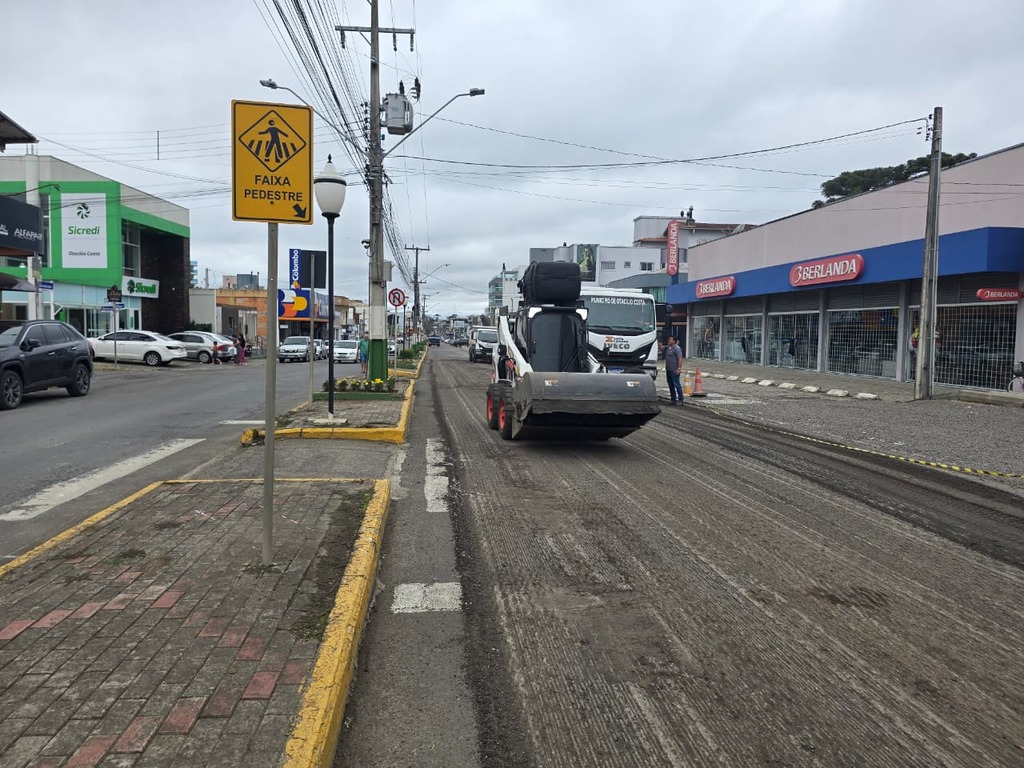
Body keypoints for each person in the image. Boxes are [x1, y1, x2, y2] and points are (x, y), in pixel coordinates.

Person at [663, 336, 684, 405]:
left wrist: (679, 368)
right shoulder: (668, 348)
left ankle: (680, 399)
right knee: (671, 385)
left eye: (670, 339)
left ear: (674, 341)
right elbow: (662, 348)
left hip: (674, 370)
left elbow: (680, 358)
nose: (668, 340)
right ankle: (673, 399)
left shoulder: (677, 349)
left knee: (677, 385)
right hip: (668, 369)